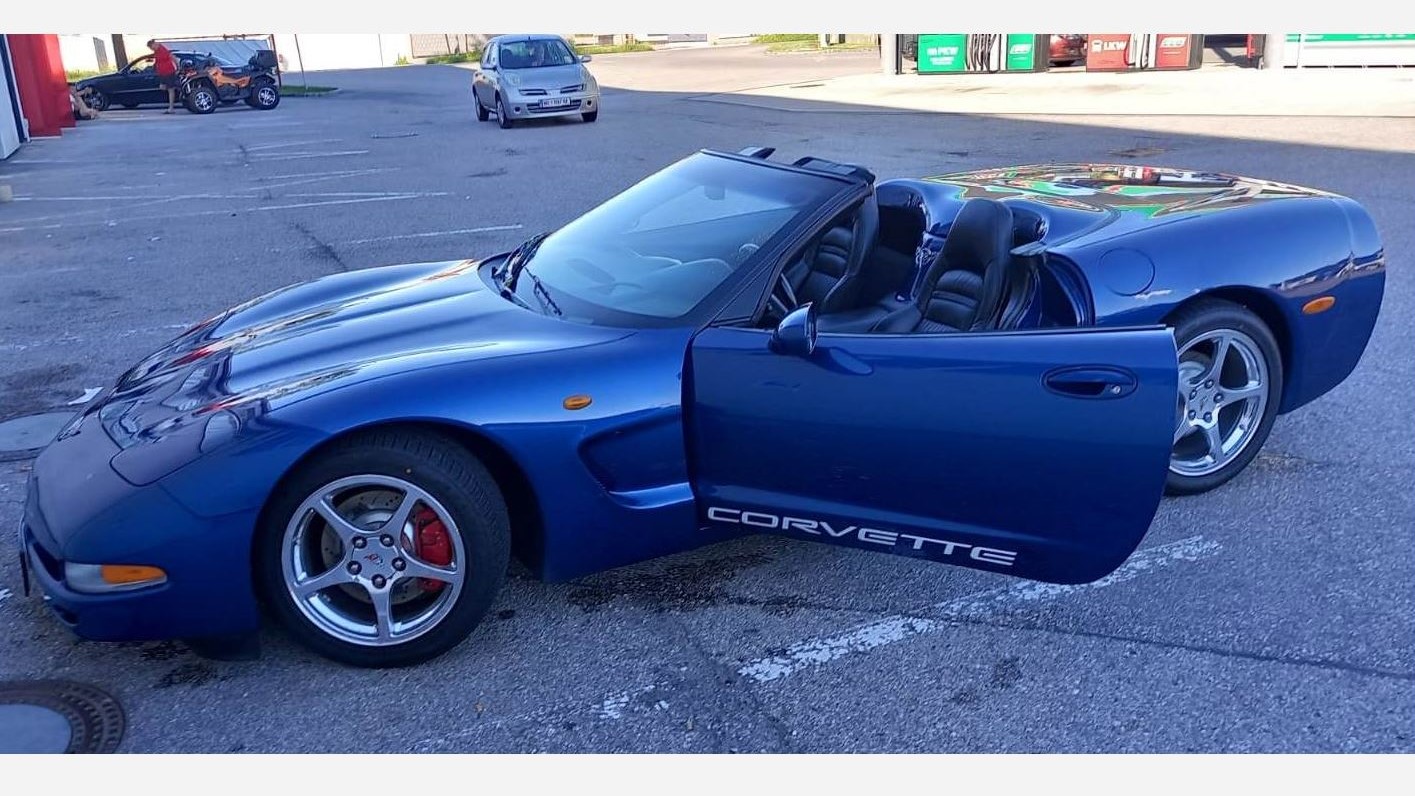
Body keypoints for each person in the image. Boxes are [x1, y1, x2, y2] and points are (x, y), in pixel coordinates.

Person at [148, 39, 178, 114]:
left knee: (170, 89)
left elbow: (172, 57)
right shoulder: (156, 52)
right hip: (162, 73)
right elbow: (157, 61)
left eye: (151, 47)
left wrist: (178, 67)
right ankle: (173, 99)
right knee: (162, 87)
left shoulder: (163, 49)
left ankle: (171, 108)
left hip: (169, 72)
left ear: (154, 44)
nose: (151, 49)